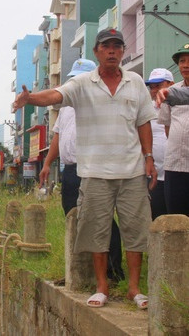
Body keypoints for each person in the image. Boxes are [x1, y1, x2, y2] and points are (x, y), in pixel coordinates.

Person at [14, 28, 156, 309]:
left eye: (117, 46)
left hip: (131, 171)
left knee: (135, 232)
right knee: (96, 230)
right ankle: (101, 286)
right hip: (94, 172)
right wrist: (30, 99)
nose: (112, 51)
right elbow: (55, 95)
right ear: (97, 52)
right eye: (107, 47)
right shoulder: (82, 83)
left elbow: (144, 122)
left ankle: (134, 288)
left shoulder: (136, 82)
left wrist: (148, 156)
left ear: (123, 51)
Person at [39, 58, 125, 282]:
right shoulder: (66, 106)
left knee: (102, 218)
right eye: (73, 78)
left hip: (93, 166)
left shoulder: (102, 101)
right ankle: (79, 270)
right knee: (73, 216)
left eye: (80, 78)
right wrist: (47, 164)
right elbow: (57, 136)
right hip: (70, 169)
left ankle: (114, 270)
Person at [157, 43, 189, 216]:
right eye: (182, 61)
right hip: (175, 165)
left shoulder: (169, 94)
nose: (186, 65)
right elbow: (167, 127)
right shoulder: (170, 92)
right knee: (176, 218)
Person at [144, 68, 174, 219]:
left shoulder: (181, 106)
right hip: (155, 177)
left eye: (159, 85)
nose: (155, 90)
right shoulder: (145, 110)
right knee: (157, 220)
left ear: (171, 85)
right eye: (152, 86)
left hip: (177, 175)